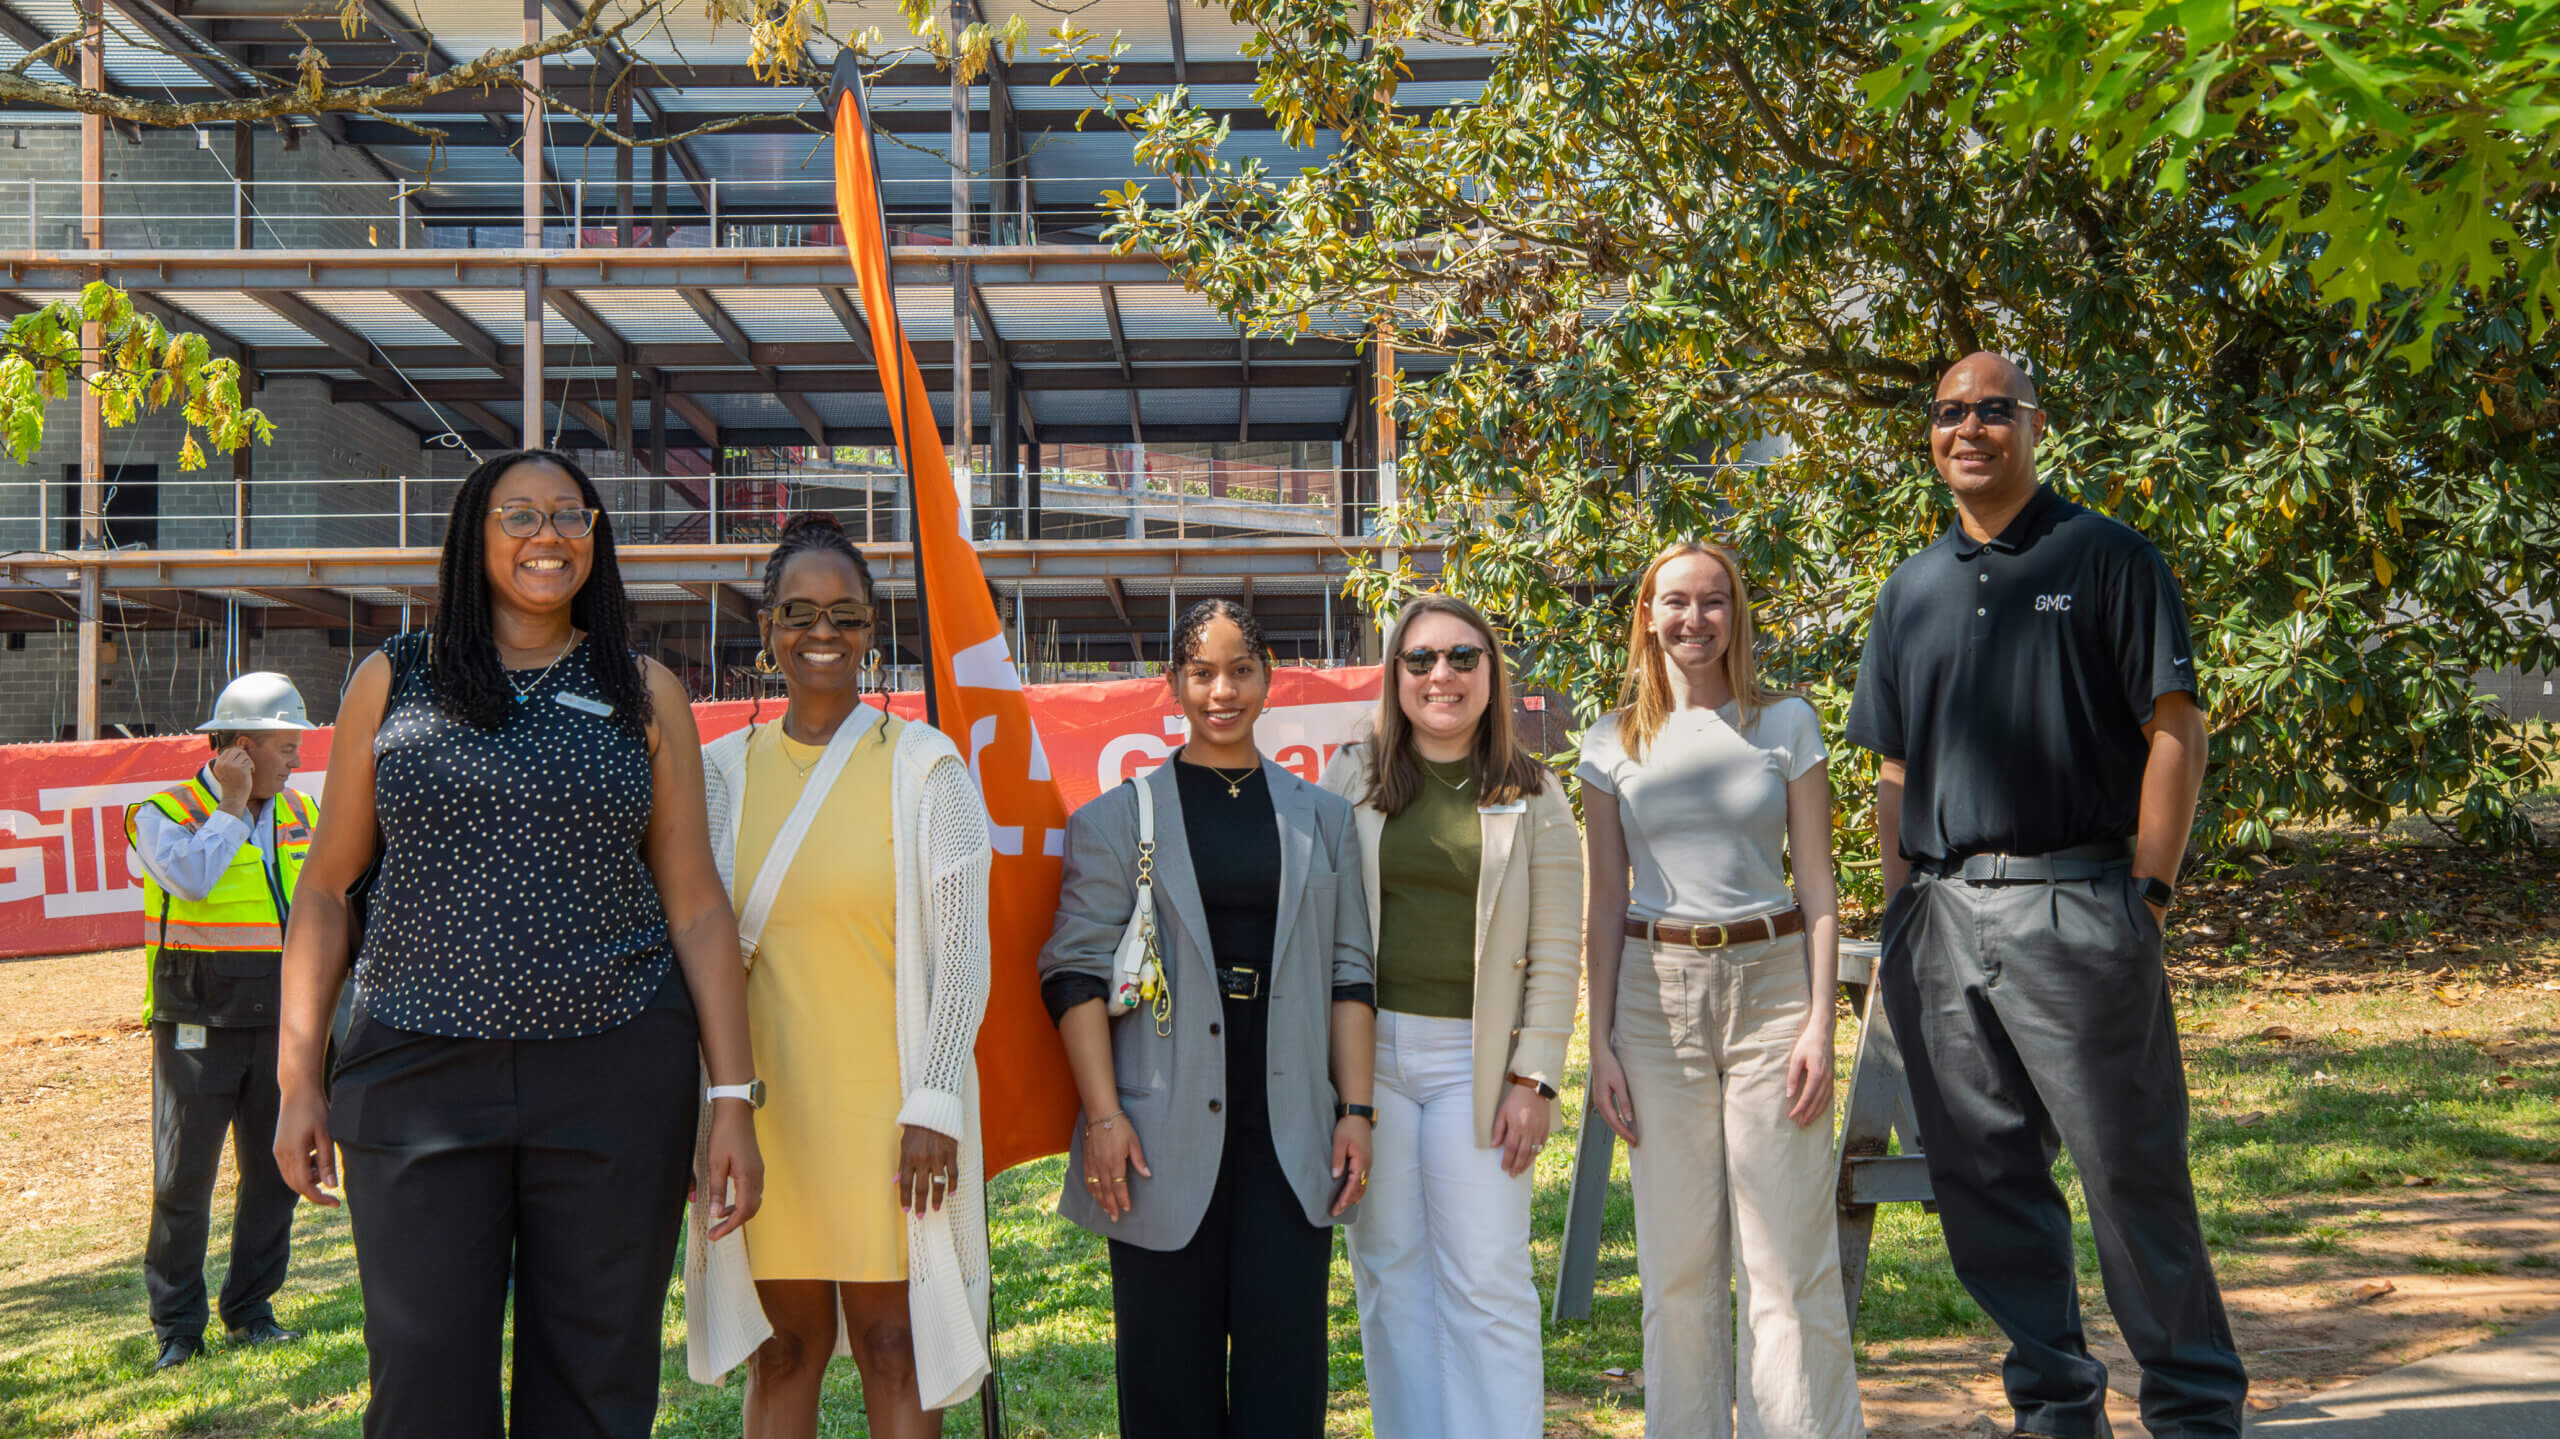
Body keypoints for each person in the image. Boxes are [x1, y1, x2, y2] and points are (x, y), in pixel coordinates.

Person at [269, 448, 765, 1439]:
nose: (549, 535)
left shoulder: (642, 689)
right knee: (422, 1387)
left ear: (595, 536)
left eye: (571, 515)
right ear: (474, 534)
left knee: (594, 1383)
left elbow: (698, 907)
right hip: (415, 1070)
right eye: (521, 515)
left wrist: (731, 1101)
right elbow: (324, 888)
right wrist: (296, 1078)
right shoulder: (394, 678)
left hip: (613, 1073)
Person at [1846, 353, 2239, 1439]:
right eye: (1948, 412)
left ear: (2033, 423)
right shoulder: (1910, 588)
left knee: (2130, 1175)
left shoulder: (2106, 555)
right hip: (1939, 921)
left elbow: (2176, 726)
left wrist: (2147, 893)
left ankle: (2196, 1412)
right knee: (1984, 1184)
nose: (1967, 427)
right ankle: (2057, 1408)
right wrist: (1902, 910)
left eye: (1992, 408)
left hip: (2079, 905)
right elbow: (1893, 767)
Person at [685, 514, 995, 1438]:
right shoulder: (718, 776)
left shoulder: (927, 768)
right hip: (762, 1112)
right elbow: (691, 950)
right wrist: (702, 1112)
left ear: (871, 629)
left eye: (845, 614)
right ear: (767, 628)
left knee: (896, 1345)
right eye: (799, 612)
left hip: (894, 1115)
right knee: (783, 1349)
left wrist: (936, 1100)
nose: (822, 631)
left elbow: (965, 956)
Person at [1037, 598, 1375, 1439]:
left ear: (1268, 678)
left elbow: (1350, 972)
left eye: (1240, 670)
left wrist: (1356, 1110)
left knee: (1284, 1380)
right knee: (1167, 1386)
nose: (1222, 691)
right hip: (1155, 1132)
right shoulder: (1117, 819)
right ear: (1174, 683)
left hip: (1288, 1129)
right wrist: (1103, 1116)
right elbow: (1072, 976)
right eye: (1202, 672)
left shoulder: (1323, 817)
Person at [1579, 541, 1864, 1438]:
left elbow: (1818, 886)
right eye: (1675, 601)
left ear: (1736, 613)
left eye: (1713, 601)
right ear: (1647, 615)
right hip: (1654, 998)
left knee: (1787, 1259)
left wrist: (1820, 1022)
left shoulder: (1786, 723)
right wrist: (1600, 1044)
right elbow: (1604, 902)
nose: (1693, 618)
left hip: (1773, 987)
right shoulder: (1610, 740)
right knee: (1676, 1264)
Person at [1315, 593, 1580, 1439]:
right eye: (1422, 657)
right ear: (1395, 674)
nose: (1442, 674)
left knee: (1487, 1279)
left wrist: (1534, 1078)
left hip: (1480, 1062)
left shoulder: (1536, 792)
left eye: (1464, 656)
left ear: (1491, 672)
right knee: (1388, 1275)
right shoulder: (1350, 777)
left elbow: (1556, 949)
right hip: (1371, 1063)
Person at [123, 672, 319, 1372]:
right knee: (183, 1182)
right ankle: (178, 1327)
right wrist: (232, 807)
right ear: (241, 747)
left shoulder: (305, 812)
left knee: (276, 1175)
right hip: (196, 1023)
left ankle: (251, 1309)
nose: (296, 759)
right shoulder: (159, 814)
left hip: (283, 1021)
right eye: (285, 747)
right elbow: (194, 880)